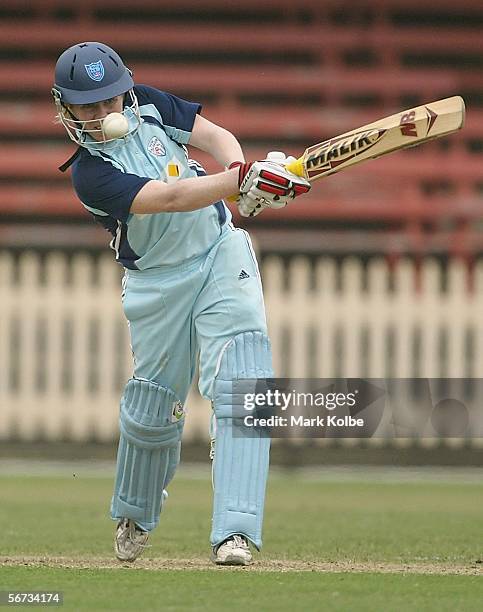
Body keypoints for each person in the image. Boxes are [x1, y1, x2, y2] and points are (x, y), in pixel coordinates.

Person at [52, 41, 310, 566]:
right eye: (88, 106)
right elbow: (167, 197)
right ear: (65, 108)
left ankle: (236, 532)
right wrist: (240, 184)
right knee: (153, 409)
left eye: (110, 99)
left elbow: (216, 137)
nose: (103, 113)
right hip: (157, 285)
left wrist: (246, 175)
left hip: (219, 251)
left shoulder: (147, 102)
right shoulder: (88, 174)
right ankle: (136, 511)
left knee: (245, 379)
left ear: (125, 88)